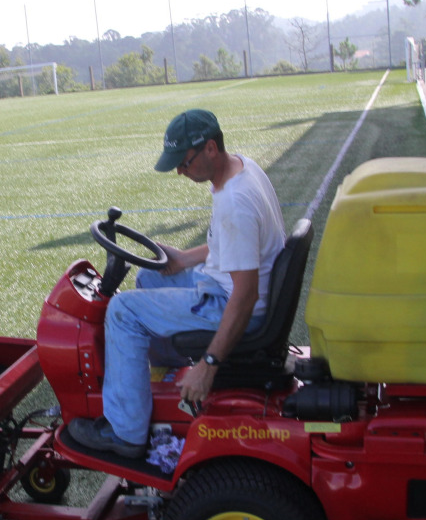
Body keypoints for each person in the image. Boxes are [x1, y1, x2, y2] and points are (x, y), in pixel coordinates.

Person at [68, 109, 285, 458]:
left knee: (123, 311)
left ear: (210, 148)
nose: (180, 172)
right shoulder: (242, 168)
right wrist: (183, 258)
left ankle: (125, 432)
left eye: (183, 163)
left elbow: (244, 296)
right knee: (150, 276)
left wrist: (207, 367)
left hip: (235, 306)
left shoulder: (234, 202)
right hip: (225, 285)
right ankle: (166, 366)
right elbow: (232, 248)